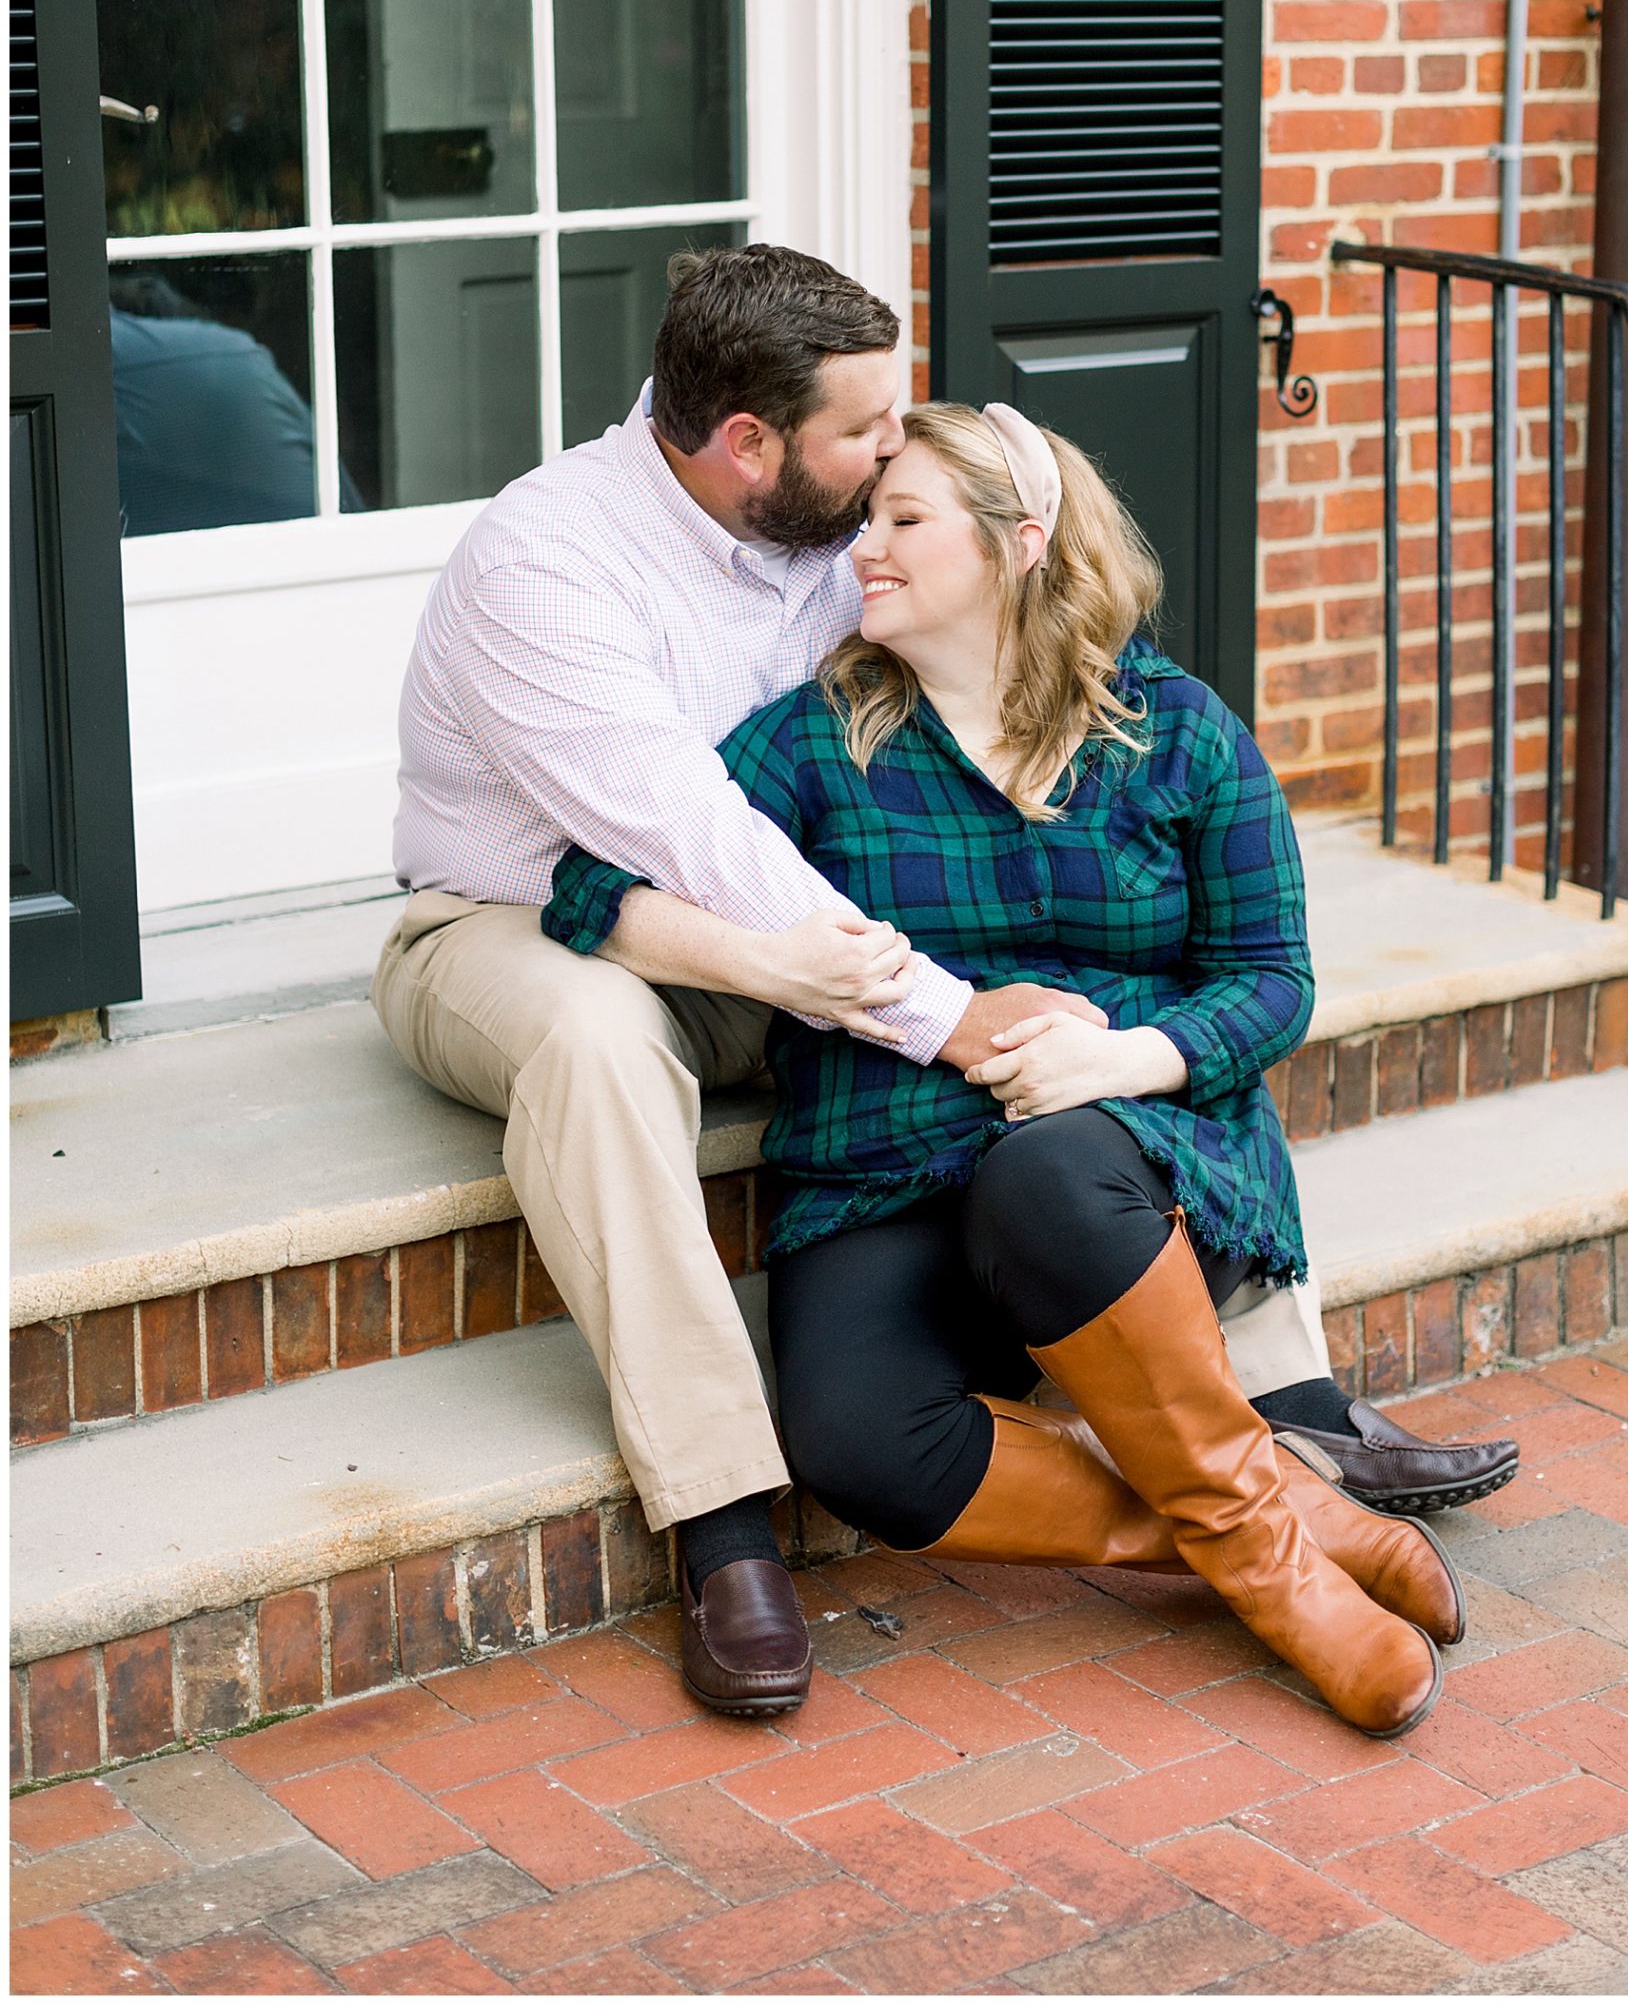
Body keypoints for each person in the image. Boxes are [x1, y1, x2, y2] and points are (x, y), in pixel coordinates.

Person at [378, 244, 1512, 1719]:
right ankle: (735, 1523)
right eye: (865, 446)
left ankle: (1281, 1430)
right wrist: (892, 997)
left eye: (905, 490)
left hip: (894, 999)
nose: (875, 496)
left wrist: (1107, 1048)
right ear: (745, 443)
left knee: (1079, 1130)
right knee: (601, 1046)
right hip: (544, 912)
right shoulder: (565, 570)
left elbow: (1254, 974)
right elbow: (667, 847)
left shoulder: (1146, 716)